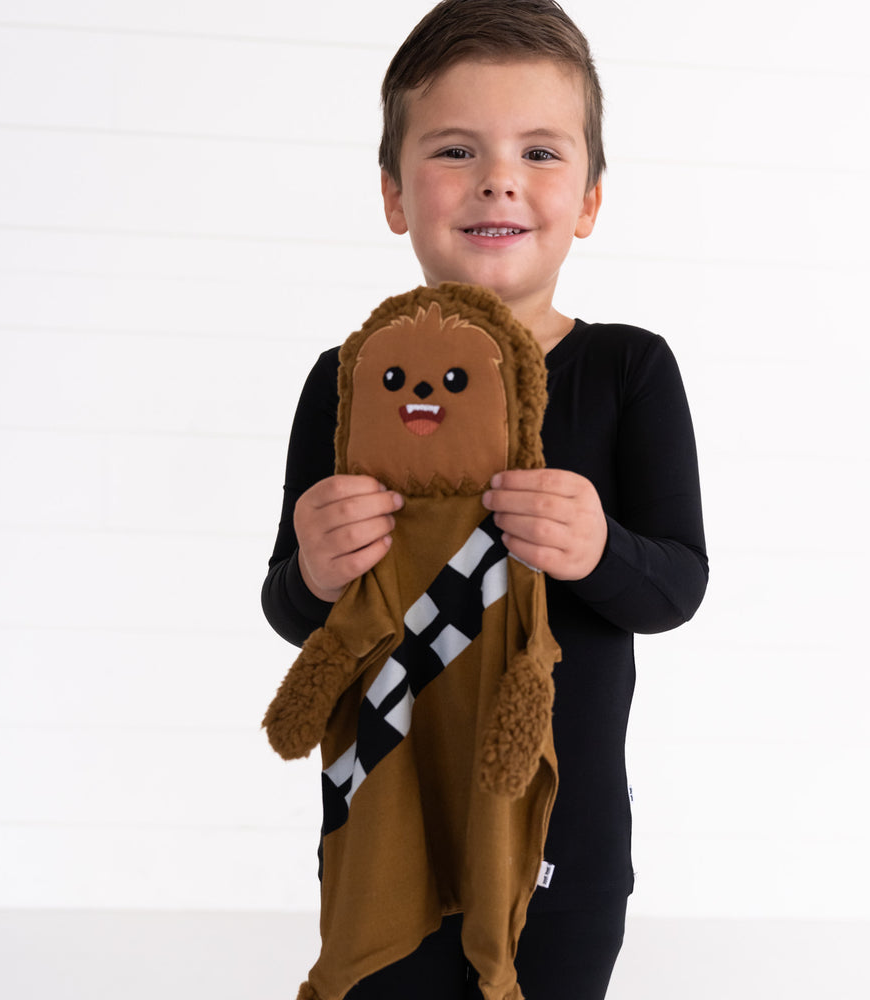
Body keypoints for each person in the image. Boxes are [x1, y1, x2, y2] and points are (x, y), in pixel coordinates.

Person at [261, 1, 708, 997]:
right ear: (392, 193)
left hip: (564, 834)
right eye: (456, 149)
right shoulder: (346, 379)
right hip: (388, 815)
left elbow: (676, 585)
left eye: (540, 152)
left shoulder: (627, 369)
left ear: (589, 198)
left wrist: (598, 550)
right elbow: (290, 606)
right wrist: (317, 569)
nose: (499, 177)